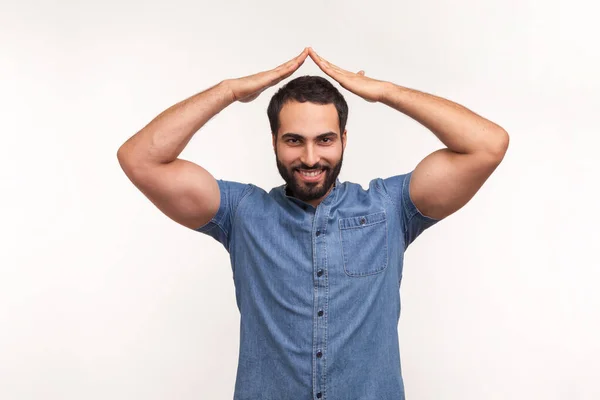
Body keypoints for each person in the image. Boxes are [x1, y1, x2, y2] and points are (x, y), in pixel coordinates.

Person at [117, 47, 509, 400]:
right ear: (273, 141)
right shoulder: (242, 213)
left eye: (324, 140)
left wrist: (385, 91)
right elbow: (140, 159)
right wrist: (230, 91)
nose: (309, 157)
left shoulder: (390, 208)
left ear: (343, 139)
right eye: (293, 140)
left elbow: (488, 144)